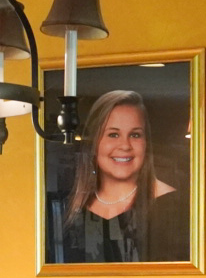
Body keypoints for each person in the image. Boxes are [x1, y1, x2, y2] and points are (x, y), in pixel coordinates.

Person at [53, 89, 188, 264]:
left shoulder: (173, 205)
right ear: (94, 142)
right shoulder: (70, 208)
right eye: (113, 134)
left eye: (135, 135)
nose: (125, 145)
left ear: (146, 142)